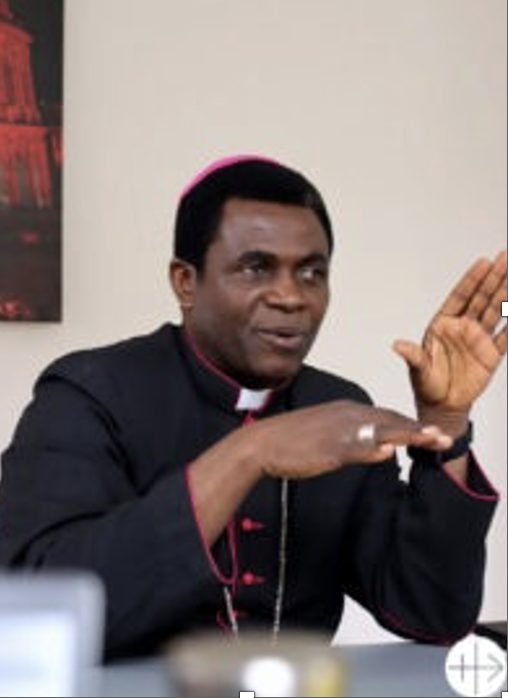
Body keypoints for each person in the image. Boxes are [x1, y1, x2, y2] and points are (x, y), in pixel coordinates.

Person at [0, 156, 506, 660]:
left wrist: (445, 422)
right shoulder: (88, 393)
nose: (290, 297)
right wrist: (251, 451)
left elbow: (430, 613)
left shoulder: (336, 408)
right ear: (185, 282)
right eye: (255, 268)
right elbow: (44, 612)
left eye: (312, 273)